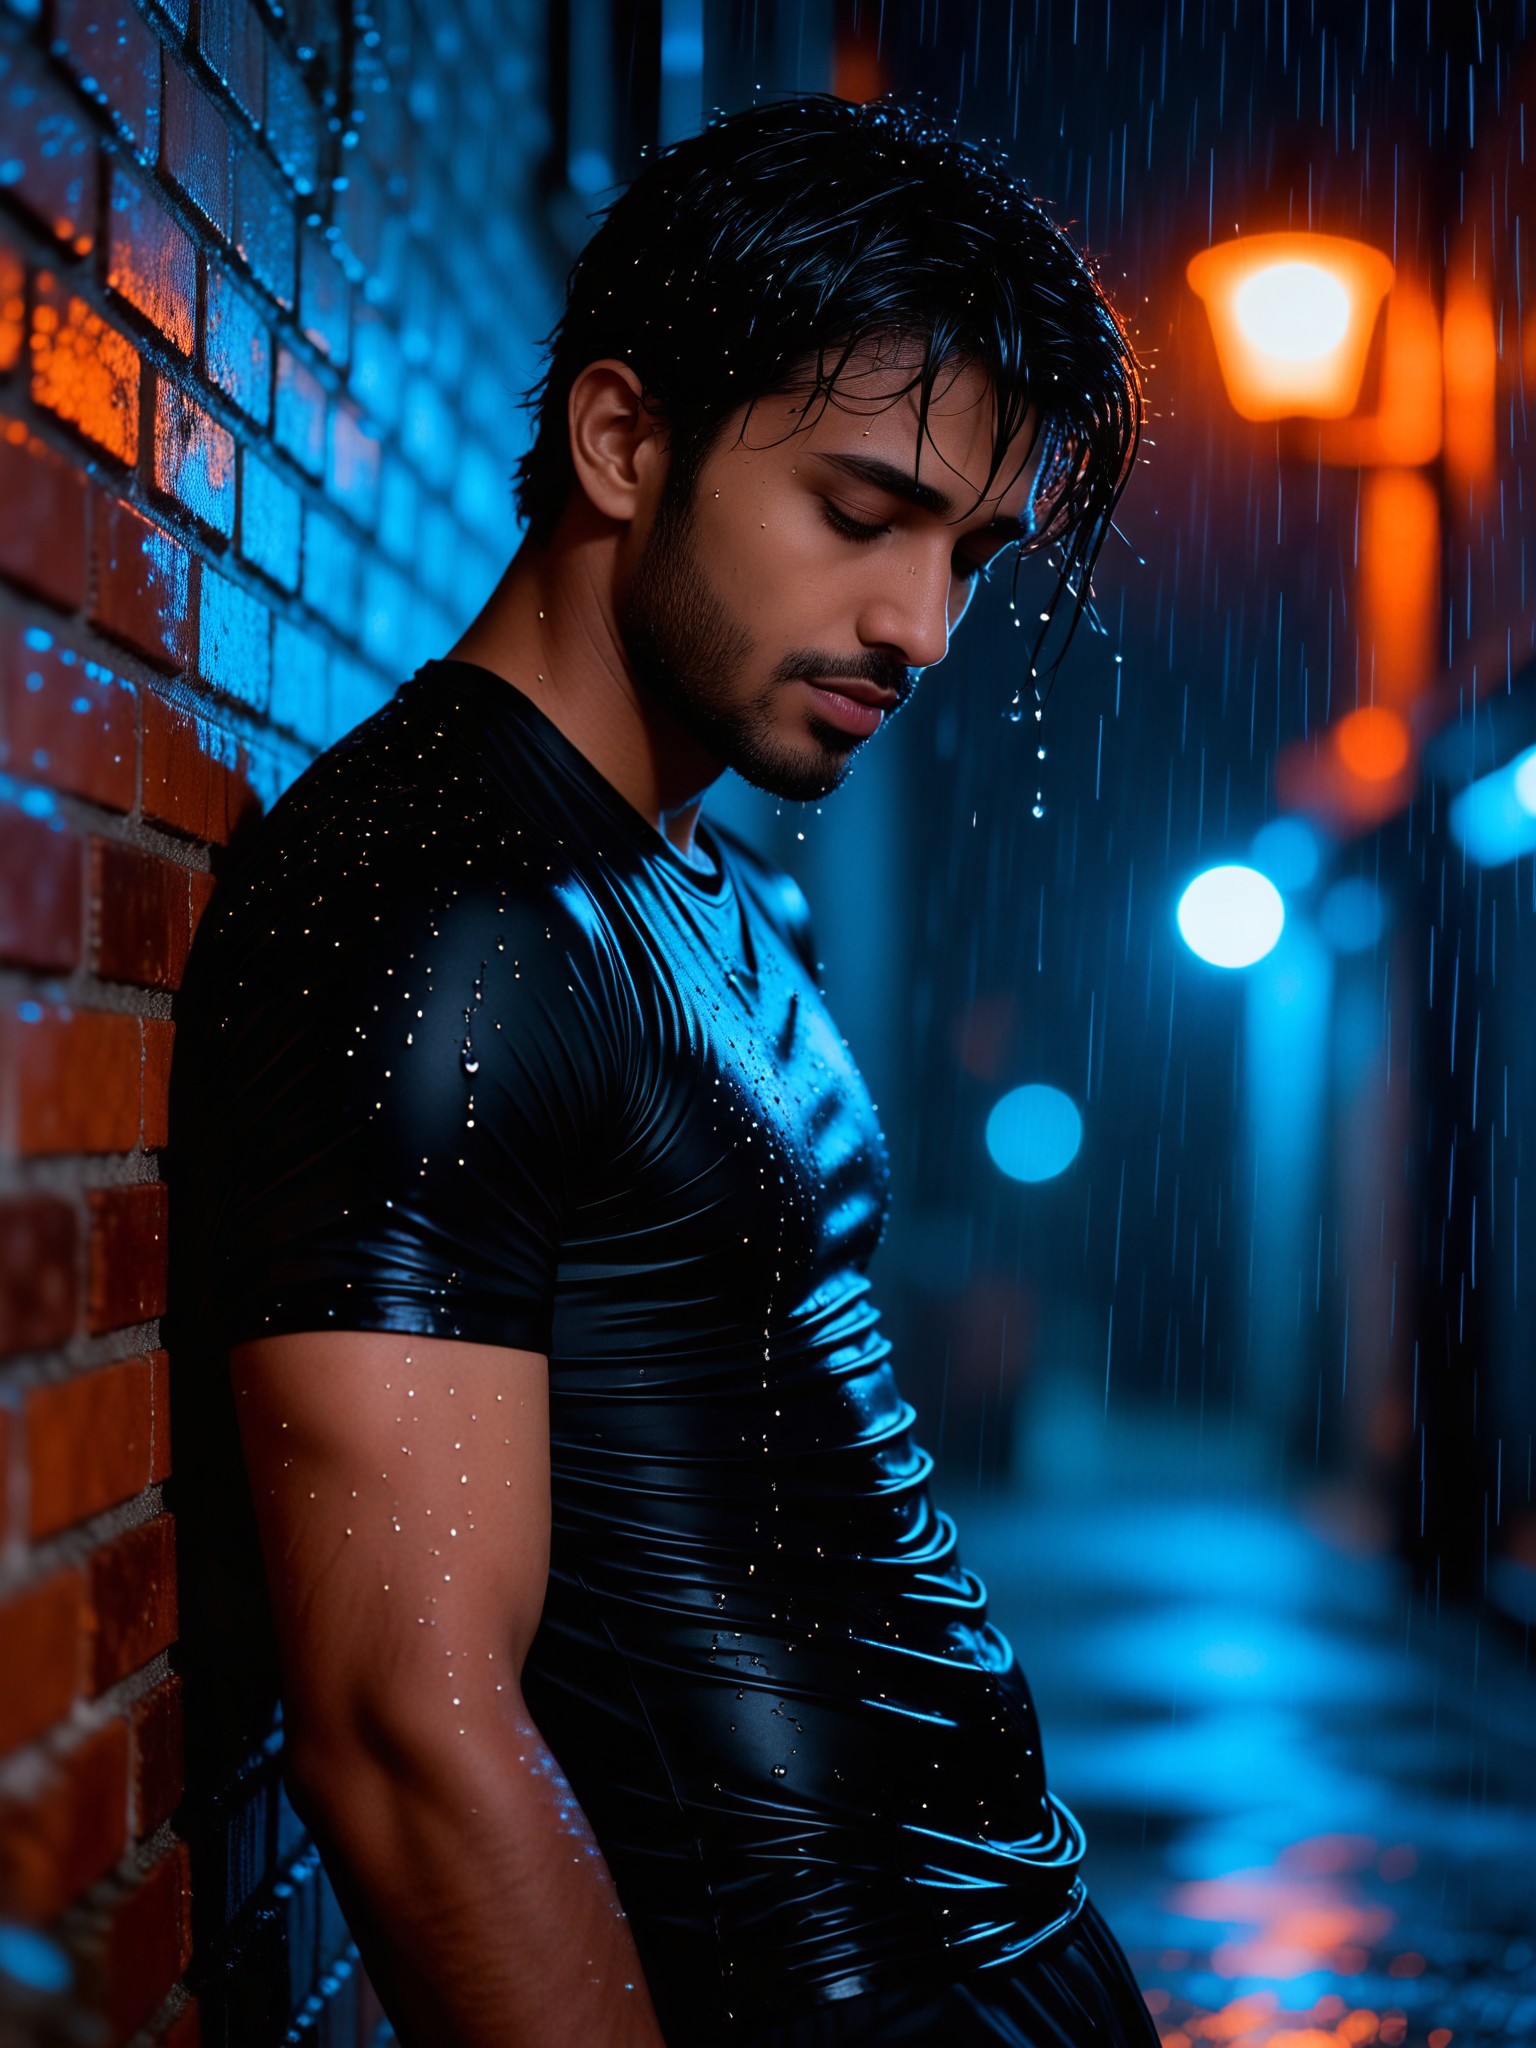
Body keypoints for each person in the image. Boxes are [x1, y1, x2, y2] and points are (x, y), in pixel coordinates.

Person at [167, 93, 1150, 2048]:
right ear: (622, 439)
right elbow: (405, 1730)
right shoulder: (438, 911)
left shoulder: (716, 884)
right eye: (860, 516)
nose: (920, 626)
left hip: (1001, 1965)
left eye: (970, 554)